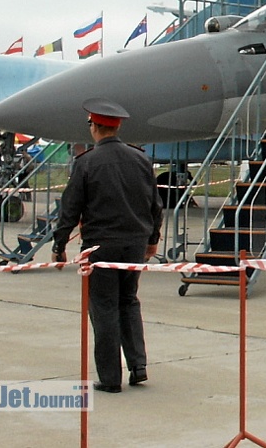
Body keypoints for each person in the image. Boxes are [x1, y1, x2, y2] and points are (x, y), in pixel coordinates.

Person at [51, 99, 163, 393]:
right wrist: (152, 240)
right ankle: (138, 365)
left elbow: (70, 208)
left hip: (101, 247)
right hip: (135, 244)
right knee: (129, 301)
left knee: (103, 308)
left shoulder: (86, 163)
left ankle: (111, 378)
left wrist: (59, 244)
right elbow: (155, 204)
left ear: (95, 127)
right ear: (117, 126)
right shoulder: (141, 159)